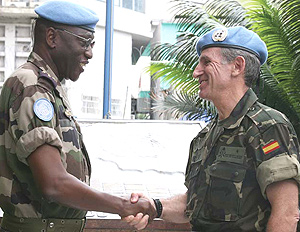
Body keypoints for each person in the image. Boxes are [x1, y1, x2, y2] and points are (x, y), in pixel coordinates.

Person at [124, 26, 300, 231]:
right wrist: (155, 207)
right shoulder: (206, 136)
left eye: (206, 62)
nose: (196, 72)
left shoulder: (268, 127)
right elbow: (195, 205)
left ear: (237, 66)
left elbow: (286, 213)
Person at [0, 1, 156, 231]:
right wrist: (123, 206)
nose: (90, 53)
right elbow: (53, 183)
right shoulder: (32, 87)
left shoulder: (48, 87)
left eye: (92, 44)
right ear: (52, 38)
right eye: (84, 42)